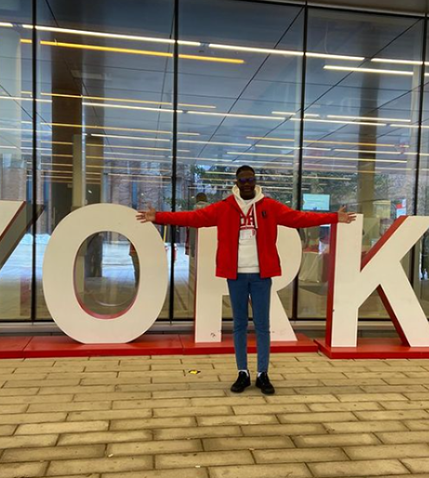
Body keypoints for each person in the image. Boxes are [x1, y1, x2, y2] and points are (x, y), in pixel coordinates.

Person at [136, 165, 356, 395]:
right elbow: (194, 217)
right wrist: (158, 217)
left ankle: (262, 373)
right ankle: (243, 372)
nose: (247, 183)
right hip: (236, 274)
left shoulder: (269, 206)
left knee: (262, 326)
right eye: (243, 180)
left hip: (262, 275)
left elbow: (299, 218)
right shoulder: (225, 208)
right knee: (239, 325)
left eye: (250, 179)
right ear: (237, 182)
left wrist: (334, 218)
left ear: (255, 180)